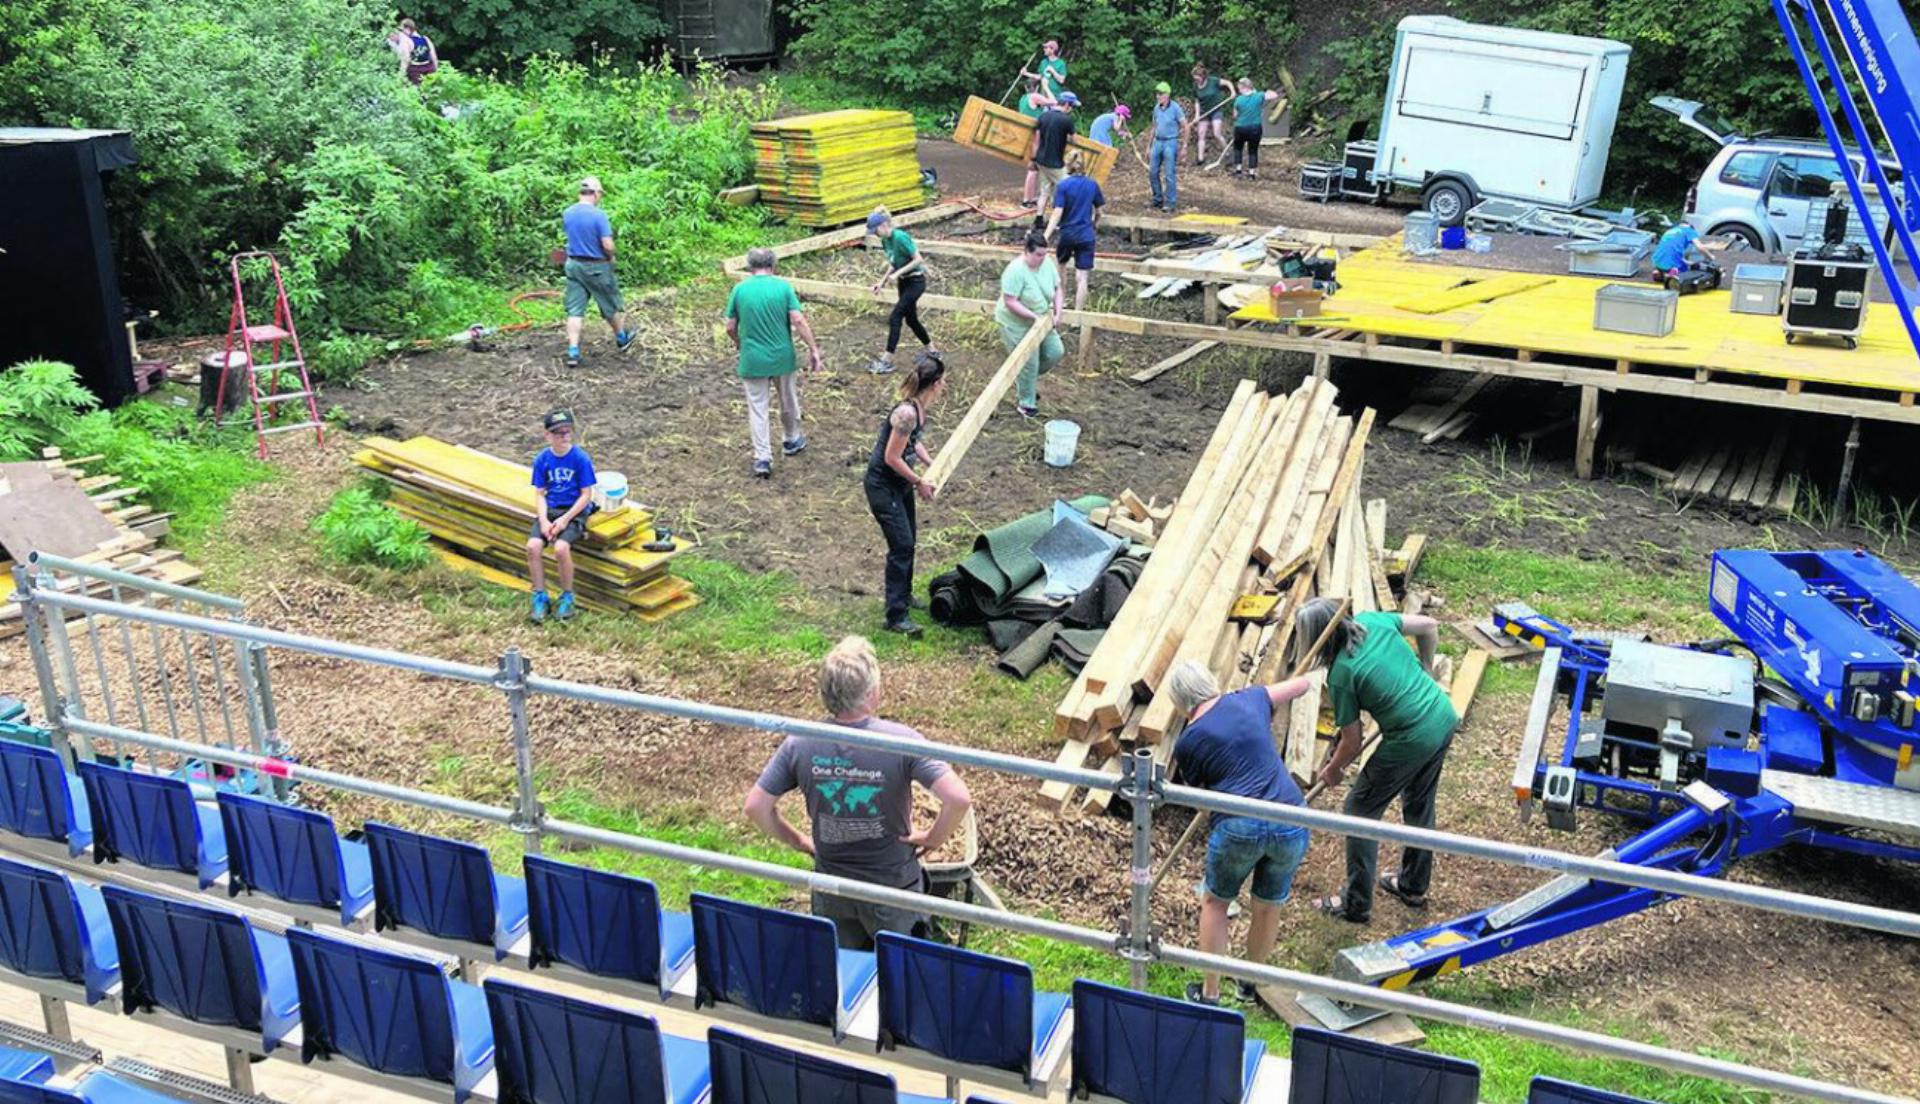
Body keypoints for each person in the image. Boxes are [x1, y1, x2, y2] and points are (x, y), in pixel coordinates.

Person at [745, 636, 973, 950]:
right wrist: (934, 838)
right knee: (899, 969)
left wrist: (800, 842)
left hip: (832, 887)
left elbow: (756, 807)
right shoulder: (902, 741)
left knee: (845, 965)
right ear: (872, 693)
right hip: (891, 888)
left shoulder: (800, 742)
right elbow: (958, 799)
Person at [1298, 599, 1458, 924]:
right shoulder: (1374, 621)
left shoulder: (1342, 672)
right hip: (1442, 715)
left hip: (1412, 737)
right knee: (1419, 802)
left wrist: (1333, 769)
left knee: (1359, 812)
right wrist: (1426, 669)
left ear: (1318, 637)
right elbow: (1428, 626)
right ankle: (1412, 886)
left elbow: (1353, 742)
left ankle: (1356, 904)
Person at [1166, 659, 1315, 1005]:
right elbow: (1303, 685)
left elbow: (1201, 799)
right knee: (1267, 905)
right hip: (1290, 817)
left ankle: (1210, 994)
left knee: (1216, 902)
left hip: (1239, 825)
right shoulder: (1249, 699)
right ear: (1210, 681)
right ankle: (1250, 985)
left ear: (1180, 701)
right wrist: (1267, 711)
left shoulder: (1188, 742)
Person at [865, 355, 946, 636]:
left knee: (909, 540)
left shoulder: (919, 409)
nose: (944, 385)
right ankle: (895, 616)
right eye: (943, 381)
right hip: (882, 486)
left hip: (899, 485)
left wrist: (929, 463)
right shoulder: (906, 413)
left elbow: (914, 442)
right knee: (901, 545)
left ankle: (905, 595)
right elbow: (891, 456)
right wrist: (919, 482)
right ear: (935, 384)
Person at [724, 248, 823, 479]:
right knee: (788, 398)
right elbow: (798, 320)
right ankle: (791, 439)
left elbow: (729, 326)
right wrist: (813, 349)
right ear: (773, 265)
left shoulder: (739, 289)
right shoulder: (783, 287)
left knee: (758, 407)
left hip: (753, 358)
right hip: (782, 356)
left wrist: (739, 342)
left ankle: (762, 458)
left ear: (750, 266)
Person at [523, 410, 596, 624]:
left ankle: (567, 596)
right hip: (552, 509)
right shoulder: (542, 460)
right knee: (533, 547)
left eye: (567, 432)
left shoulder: (580, 458)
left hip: (573, 511)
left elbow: (586, 495)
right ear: (548, 436)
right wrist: (544, 520)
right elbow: (540, 493)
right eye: (558, 433)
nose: (564, 437)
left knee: (561, 548)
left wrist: (565, 520)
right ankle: (539, 595)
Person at [561, 177, 632, 369]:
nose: (600, 197)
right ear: (594, 193)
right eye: (600, 194)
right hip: (596, 267)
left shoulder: (567, 213)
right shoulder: (598, 215)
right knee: (610, 305)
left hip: (574, 265)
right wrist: (611, 256)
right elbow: (607, 244)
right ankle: (622, 338)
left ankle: (573, 350)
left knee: (575, 310)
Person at [994, 230, 1065, 420]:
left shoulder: (1047, 264)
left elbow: (1058, 288)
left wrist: (1058, 312)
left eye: (1044, 254)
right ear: (1027, 251)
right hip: (1016, 322)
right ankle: (1027, 403)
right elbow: (1010, 301)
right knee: (1028, 362)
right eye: (1038, 255)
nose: (1042, 258)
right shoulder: (1015, 270)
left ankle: (1027, 381)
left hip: (1042, 318)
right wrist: (1032, 316)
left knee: (1055, 352)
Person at [866, 208, 938, 376]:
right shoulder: (885, 241)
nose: (874, 234)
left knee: (895, 317)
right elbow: (893, 262)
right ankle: (933, 351)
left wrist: (897, 273)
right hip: (903, 282)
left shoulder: (900, 237)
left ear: (884, 225)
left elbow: (918, 259)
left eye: (875, 230)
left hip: (915, 282)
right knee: (911, 320)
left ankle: (886, 360)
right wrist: (881, 282)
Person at [1043, 152, 1105, 312]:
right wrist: (1094, 224)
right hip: (1086, 234)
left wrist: (1046, 235)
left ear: (1068, 166)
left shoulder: (1063, 186)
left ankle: (1060, 303)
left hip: (1067, 234)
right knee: (1082, 277)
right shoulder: (1092, 185)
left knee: (1061, 267)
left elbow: (1057, 213)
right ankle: (1078, 315)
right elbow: (1099, 211)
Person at [1028, 93, 1078, 220]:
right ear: (1066, 104)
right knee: (1070, 188)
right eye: (1072, 106)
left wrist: (1033, 159)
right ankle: (1064, 219)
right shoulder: (1067, 120)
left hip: (1041, 160)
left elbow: (1036, 140)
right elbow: (1074, 141)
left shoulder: (1043, 116)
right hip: (1055, 163)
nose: (1072, 109)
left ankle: (1039, 219)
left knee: (1045, 191)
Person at [1148, 83, 1189, 216]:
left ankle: (1170, 202)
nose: (1158, 96)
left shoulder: (1175, 108)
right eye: (1157, 94)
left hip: (1170, 142)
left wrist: (1184, 146)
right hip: (1158, 142)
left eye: (1161, 94)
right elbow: (1154, 127)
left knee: (1169, 173)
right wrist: (1148, 146)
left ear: (1167, 94)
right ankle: (1157, 198)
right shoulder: (1156, 109)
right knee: (1153, 171)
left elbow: (1185, 126)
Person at [1227, 79, 1281, 179]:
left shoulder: (1238, 100)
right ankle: (1251, 174)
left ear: (1244, 87)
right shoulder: (1259, 96)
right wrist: (1267, 91)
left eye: (1239, 87)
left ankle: (1238, 171)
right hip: (1255, 128)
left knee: (1238, 148)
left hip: (1240, 127)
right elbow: (1274, 95)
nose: (1238, 90)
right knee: (1253, 150)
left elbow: (1234, 116)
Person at [1015, 84, 1058, 207]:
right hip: (1035, 136)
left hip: (1029, 135)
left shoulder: (1023, 98)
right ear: (1037, 87)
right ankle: (1026, 200)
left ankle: (1031, 197)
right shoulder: (1034, 96)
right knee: (1033, 169)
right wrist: (1047, 86)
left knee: (1035, 169)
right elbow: (1054, 102)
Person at [1190, 65, 1230, 167]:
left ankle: (1228, 153)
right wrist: (1197, 115)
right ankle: (1200, 159)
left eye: (1197, 77)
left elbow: (1227, 83)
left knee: (1216, 133)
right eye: (1194, 77)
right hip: (1204, 112)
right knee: (1201, 134)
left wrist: (1233, 92)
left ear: (1202, 76)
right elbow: (1197, 101)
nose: (1195, 79)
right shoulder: (1195, 85)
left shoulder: (1213, 81)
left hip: (1216, 110)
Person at [396, 18, 439, 84]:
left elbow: (406, 59)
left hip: (415, 71)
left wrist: (400, 76)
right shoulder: (425, 38)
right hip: (429, 68)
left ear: (407, 29)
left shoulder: (407, 41)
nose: (402, 32)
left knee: (418, 92)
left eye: (402, 30)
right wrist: (435, 70)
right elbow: (434, 57)